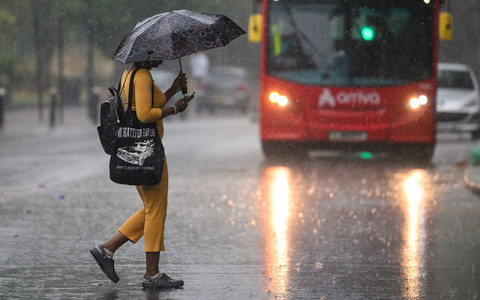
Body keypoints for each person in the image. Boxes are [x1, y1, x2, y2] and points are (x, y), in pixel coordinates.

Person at [90, 59, 194, 289]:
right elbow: (146, 115)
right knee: (156, 210)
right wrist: (175, 109)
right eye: (158, 53)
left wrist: (173, 90)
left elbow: (143, 105)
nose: (162, 58)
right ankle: (152, 274)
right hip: (147, 152)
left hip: (136, 151)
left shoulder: (130, 74)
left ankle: (107, 249)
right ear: (147, 53)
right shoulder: (143, 76)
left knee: (150, 208)